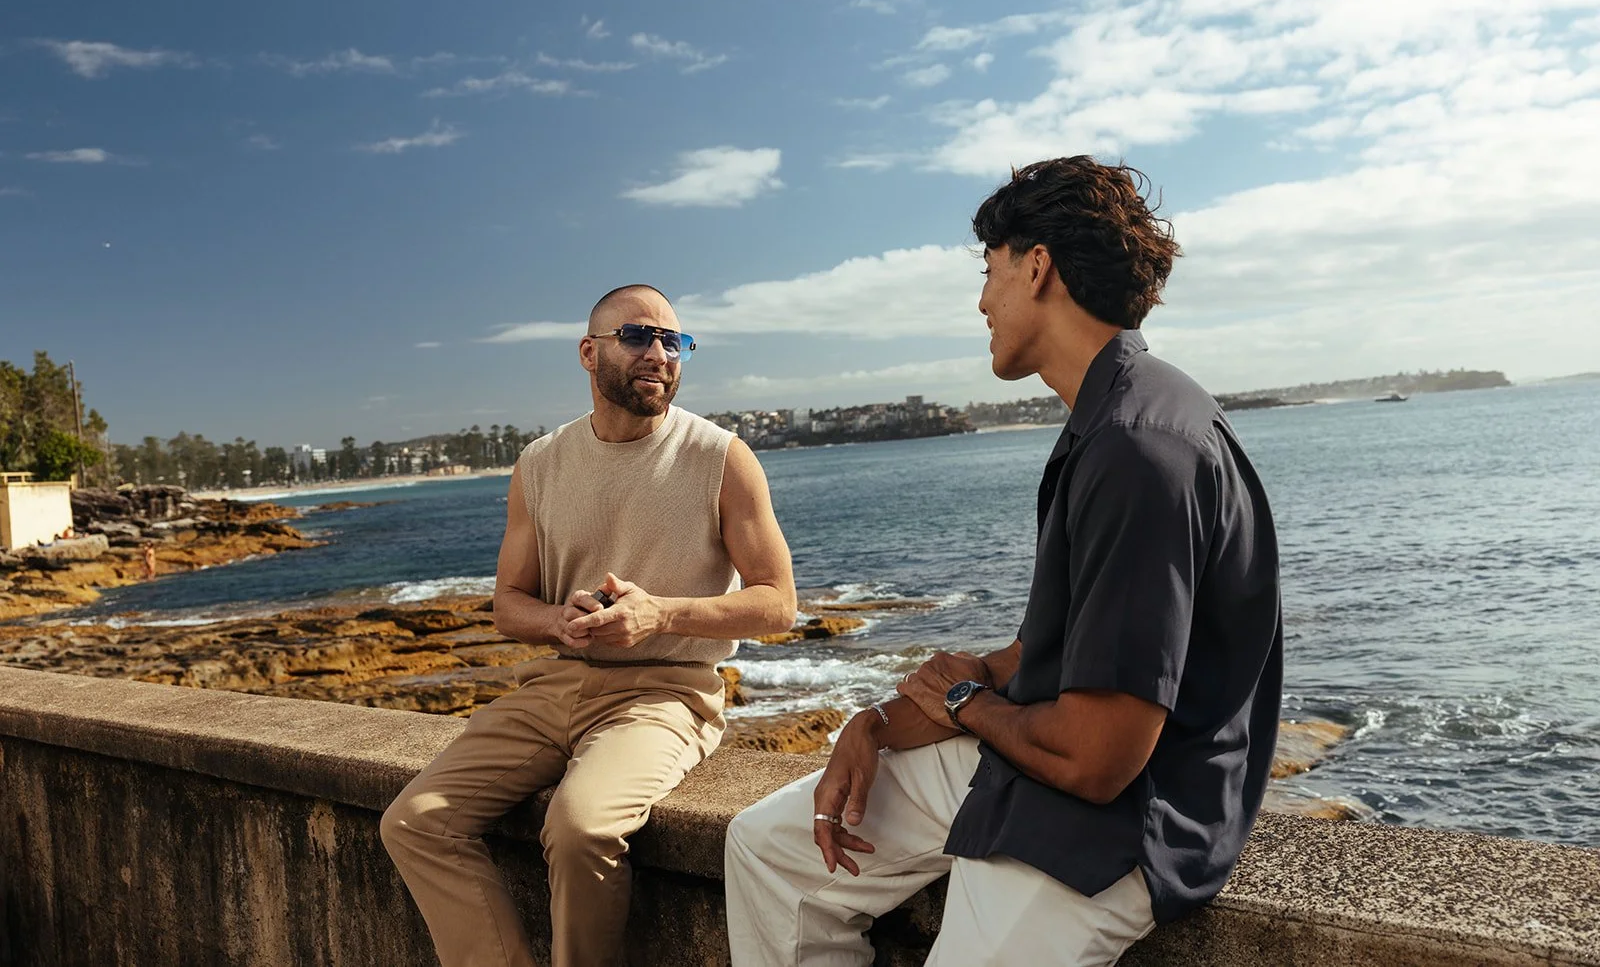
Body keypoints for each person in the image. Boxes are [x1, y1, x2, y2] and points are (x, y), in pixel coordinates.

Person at [725, 157, 1284, 966]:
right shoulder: (1106, 419)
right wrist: (875, 726)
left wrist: (963, 701)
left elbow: (1098, 759)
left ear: (1037, 264)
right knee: (768, 851)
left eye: (989, 273)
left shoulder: (1138, 447)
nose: (983, 302)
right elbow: (1042, 655)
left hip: (1125, 817)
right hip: (1040, 758)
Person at [382, 284, 798, 967]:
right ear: (589, 351)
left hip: (668, 694)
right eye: (638, 336)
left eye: (674, 341)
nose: (660, 353)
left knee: (577, 826)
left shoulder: (721, 457)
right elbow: (508, 603)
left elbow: (778, 602)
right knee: (416, 821)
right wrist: (557, 621)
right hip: (556, 687)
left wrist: (659, 612)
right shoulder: (540, 464)